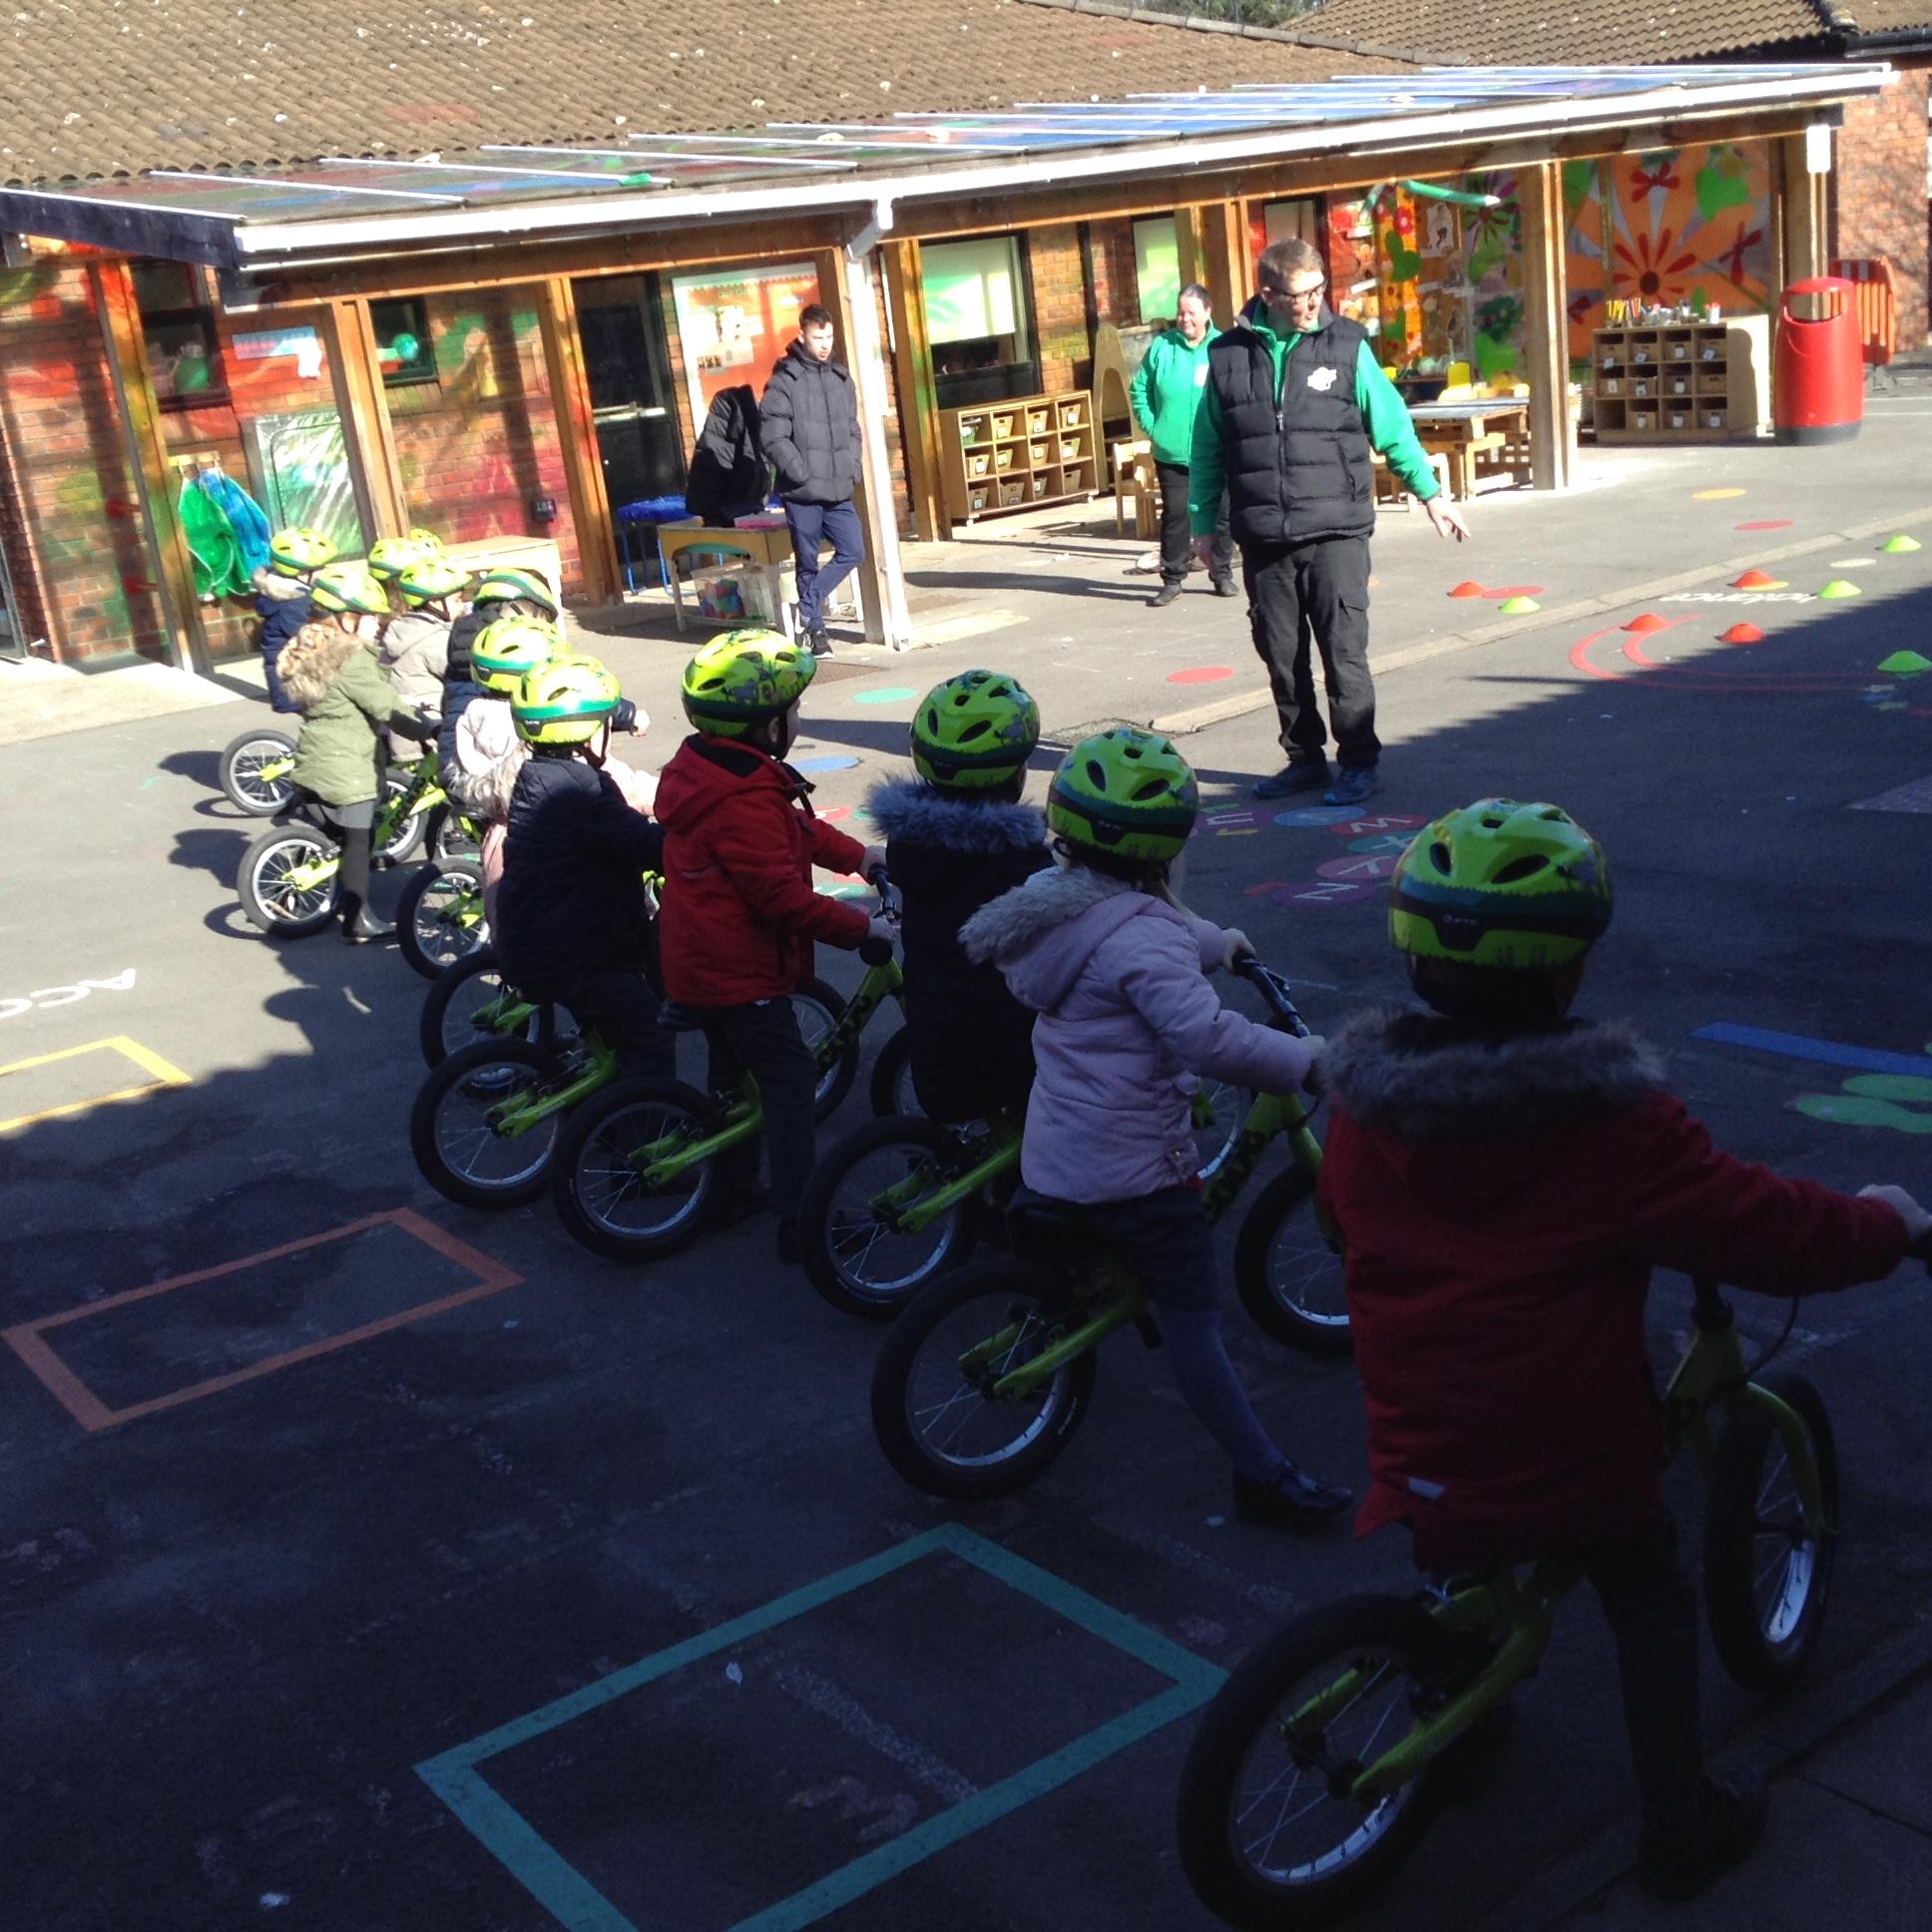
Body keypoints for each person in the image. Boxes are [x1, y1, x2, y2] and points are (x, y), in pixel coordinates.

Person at [1317, 796, 1931, 1900]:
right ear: (1568, 974)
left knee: (1465, 1549)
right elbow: (1767, 1230)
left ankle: (1461, 1721)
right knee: (1647, 1594)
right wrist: (1888, 1223)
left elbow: (1339, 1219)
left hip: (1417, 1428)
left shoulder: (1364, 1112)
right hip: (1567, 1452)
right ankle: (1677, 1826)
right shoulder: (1609, 1127)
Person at [961, 727, 1352, 1530]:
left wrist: (1216, 943)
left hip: (1058, 1153)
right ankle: (1263, 1475)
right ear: (1164, 850)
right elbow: (1205, 1038)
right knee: (1195, 1329)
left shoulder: (1057, 903)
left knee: (1091, 1268)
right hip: (1134, 1172)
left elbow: (1133, 933)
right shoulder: (1140, 935)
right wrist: (1300, 1060)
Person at [1189, 236, 1470, 809]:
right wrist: (1202, 524)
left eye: (1319, 290)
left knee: (1344, 653)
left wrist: (1430, 493)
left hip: (1337, 529)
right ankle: (1305, 760)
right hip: (1264, 532)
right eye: (1300, 296)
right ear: (1268, 294)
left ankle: (1359, 763)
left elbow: (1391, 424)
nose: (1313, 304)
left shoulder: (1347, 346)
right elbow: (1208, 448)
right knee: (1281, 656)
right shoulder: (1227, 356)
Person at [654, 630, 891, 1260]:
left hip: (699, 963)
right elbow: (781, 899)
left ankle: (732, 1190)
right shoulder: (744, 798)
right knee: (789, 1086)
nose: (798, 717)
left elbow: (797, 832)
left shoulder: (715, 771)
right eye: (793, 709)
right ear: (766, 725)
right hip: (738, 973)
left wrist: (860, 857)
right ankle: (801, 1222)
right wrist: (863, 929)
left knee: (733, 1079)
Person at [865, 670, 1050, 1124]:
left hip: (935, 1050)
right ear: (1015, 774)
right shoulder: (1022, 865)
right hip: (1007, 1061)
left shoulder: (909, 844)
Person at [492, 655, 669, 1077]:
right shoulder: (581, 792)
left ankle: (605, 1104)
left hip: (538, 940)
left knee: (611, 1029)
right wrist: (689, 837)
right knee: (649, 1032)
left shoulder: (538, 775)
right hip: (572, 955)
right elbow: (644, 844)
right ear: (588, 733)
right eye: (606, 722)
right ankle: (648, 1116)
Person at [276, 561, 435, 944]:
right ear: (345, 618)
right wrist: (428, 727)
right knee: (358, 843)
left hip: (313, 759)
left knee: (337, 837)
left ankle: (295, 896)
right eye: (369, 617)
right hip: (346, 767)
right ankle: (357, 919)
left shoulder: (310, 648)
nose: (377, 624)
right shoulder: (350, 658)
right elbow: (386, 707)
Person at [759, 303, 863, 661]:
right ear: (802, 335)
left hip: (838, 488)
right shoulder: (785, 380)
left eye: (829, 336)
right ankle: (817, 633)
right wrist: (800, 472)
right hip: (802, 491)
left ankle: (807, 604)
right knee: (807, 561)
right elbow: (772, 436)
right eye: (818, 337)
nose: (825, 344)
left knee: (854, 549)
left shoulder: (841, 379)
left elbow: (853, 429)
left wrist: (853, 468)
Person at [1131, 284, 1234, 608]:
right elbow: (1139, 390)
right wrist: (1155, 429)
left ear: (1207, 312)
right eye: (1179, 312)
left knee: (1221, 515)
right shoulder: (1162, 347)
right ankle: (1173, 579)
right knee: (1176, 516)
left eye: (1191, 312)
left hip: (1216, 452)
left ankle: (1221, 573)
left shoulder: (1223, 347)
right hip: (1173, 453)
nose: (1184, 318)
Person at [439, 566, 565, 786]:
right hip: (500, 778)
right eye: (541, 617)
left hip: (456, 765)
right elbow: (558, 686)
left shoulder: (465, 639)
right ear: (516, 609)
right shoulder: (512, 648)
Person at [250, 525, 336, 714]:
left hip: (294, 680)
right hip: (293, 689)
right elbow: (313, 637)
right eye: (320, 568)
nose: (325, 571)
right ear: (301, 573)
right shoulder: (292, 604)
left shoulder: (288, 592)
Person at [381, 553, 469, 715]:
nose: (462, 606)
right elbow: (468, 675)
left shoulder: (404, 629)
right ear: (435, 602)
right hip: (434, 723)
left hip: (409, 722)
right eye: (456, 600)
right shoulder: (435, 640)